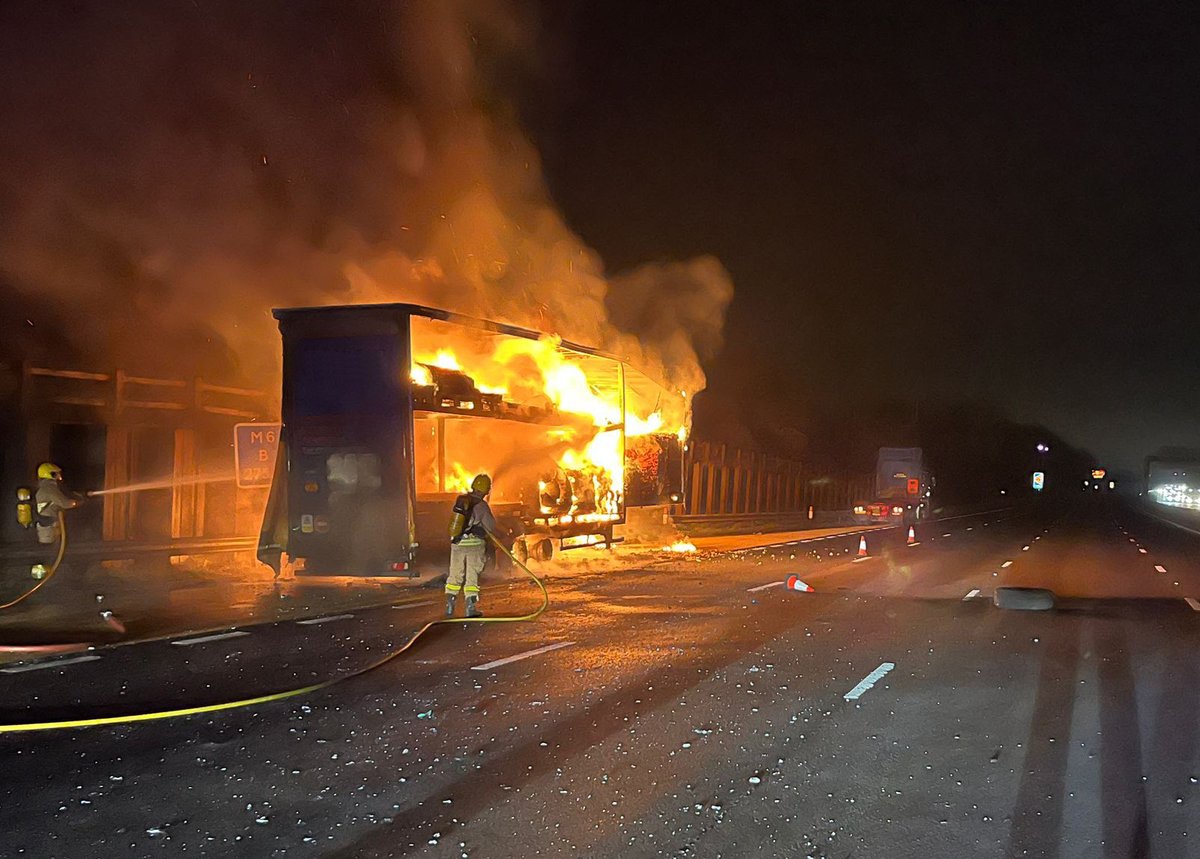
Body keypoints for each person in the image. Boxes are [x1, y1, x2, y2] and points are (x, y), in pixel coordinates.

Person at [446, 473, 500, 618]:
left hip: (457, 543)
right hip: (475, 545)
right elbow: (490, 526)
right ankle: (470, 609)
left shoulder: (461, 501)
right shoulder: (482, 506)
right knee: (472, 576)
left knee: (455, 574)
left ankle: (449, 606)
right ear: (486, 490)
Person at [34, 462, 79, 545]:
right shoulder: (50, 488)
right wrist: (75, 502)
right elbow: (64, 503)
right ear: (50, 474)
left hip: (46, 521)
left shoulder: (45, 487)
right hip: (49, 523)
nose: (59, 476)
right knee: (52, 547)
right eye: (56, 473)